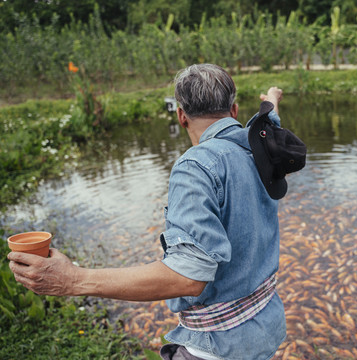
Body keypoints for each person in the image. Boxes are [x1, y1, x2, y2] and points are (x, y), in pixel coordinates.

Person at [8, 63, 306, 360]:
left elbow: (189, 278)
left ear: (180, 116)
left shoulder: (196, 167)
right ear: (235, 111)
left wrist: (74, 280)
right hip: (266, 331)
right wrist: (271, 98)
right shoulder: (262, 147)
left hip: (218, 350)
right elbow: (269, 120)